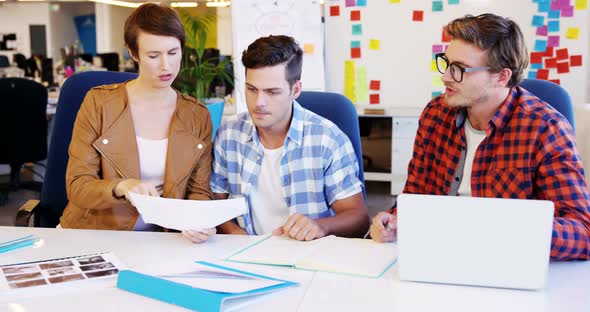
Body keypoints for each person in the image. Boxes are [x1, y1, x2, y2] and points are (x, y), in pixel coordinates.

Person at [370, 13, 590, 260]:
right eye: (447, 63)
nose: (445, 77)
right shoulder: (435, 114)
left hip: (506, 260)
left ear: (502, 77)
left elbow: (582, 232)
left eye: (460, 69)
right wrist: (394, 221)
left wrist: (507, 231)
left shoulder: (546, 128)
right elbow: (415, 195)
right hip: (438, 255)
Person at [60, 3, 215, 243]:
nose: (166, 66)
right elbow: (78, 186)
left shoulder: (197, 115)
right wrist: (121, 186)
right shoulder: (99, 103)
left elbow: (199, 191)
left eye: (173, 52)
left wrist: (200, 220)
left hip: (163, 241)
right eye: (153, 56)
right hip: (94, 234)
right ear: (134, 54)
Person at [210, 35, 369, 241]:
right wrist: (235, 234)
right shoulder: (228, 134)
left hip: (306, 257)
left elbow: (359, 218)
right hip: (244, 255)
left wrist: (320, 227)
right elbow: (214, 204)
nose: (259, 103)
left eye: (272, 92)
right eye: (251, 89)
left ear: (295, 90)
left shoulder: (327, 139)